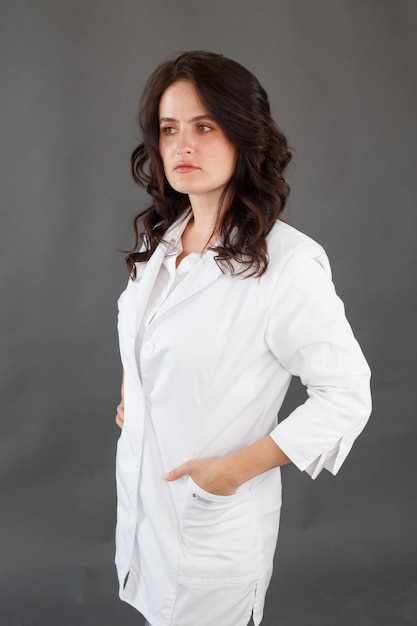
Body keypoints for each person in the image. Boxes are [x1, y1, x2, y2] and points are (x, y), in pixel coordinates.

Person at [114, 51, 371, 626]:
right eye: (170, 129)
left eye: (205, 127)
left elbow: (347, 395)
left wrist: (235, 470)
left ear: (243, 136)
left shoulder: (288, 261)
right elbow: (151, 335)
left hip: (211, 520)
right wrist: (138, 390)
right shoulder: (163, 245)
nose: (183, 145)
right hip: (146, 511)